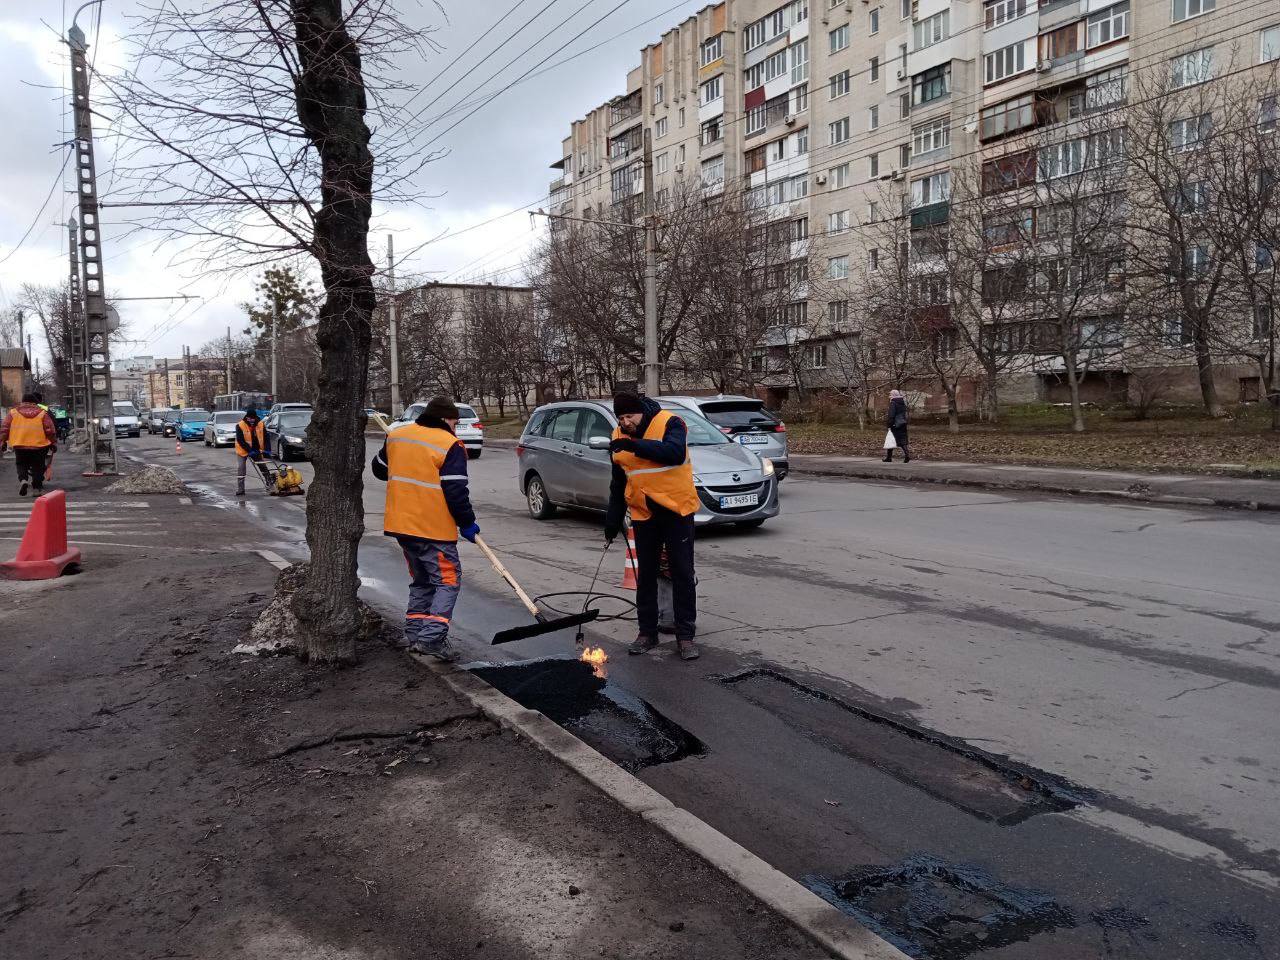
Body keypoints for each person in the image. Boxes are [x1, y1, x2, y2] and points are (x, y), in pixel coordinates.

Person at [372, 396, 479, 662]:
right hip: (432, 529)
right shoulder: (449, 445)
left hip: (402, 526)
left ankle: (415, 634)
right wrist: (467, 523)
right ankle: (431, 639)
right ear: (444, 419)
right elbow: (455, 491)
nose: (456, 426)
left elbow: (379, 470)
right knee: (447, 581)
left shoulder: (398, 436)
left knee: (422, 581)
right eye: (454, 420)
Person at [604, 392, 700, 661]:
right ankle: (646, 632)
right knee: (645, 575)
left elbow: (674, 453)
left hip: (676, 509)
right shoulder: (617, 436)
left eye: (629, 416)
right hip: (643, 513)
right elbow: (618, 483)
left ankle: (685, 636)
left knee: (681, 572)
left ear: (641, 412)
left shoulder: (670, 422)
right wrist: (612, 519)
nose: (625, 422)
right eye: (620, 417)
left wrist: (634, 446)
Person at [1, 393, 57, 497]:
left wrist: (2, 441)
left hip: (19, 444)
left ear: (22, 402)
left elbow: (4, 429)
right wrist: (53, 442)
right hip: (39, 445)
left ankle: (23, 480)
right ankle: (36, 489)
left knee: (21, 464)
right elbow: (50, 430)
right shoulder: (42, 413)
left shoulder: (13, 413)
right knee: (38, 466)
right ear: (35, 403)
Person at [234, 406, 267, 496]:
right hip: (242, 450)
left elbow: (265, 437)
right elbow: (240, 440)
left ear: (255, 417)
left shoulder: (260, 424)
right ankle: (241, 489)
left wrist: (267, 449)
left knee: (263, 466)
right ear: (247, 417)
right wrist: (249, 450)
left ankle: (270, 484)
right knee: (241, 469)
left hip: (256, 449)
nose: (251, 420)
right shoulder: (240, 425)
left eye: (253, 418)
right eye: (250, 418)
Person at [883, 389, 911, 463]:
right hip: (903, 423)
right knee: (902, 440)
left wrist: (889, 424)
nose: (889, 396)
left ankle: (889, 458)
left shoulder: (893, 403)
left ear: (893, 395)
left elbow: (891, 415)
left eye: (891, 395)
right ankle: (907, 454)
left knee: (891, 439)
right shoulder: (902, 402)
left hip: (895, 424)